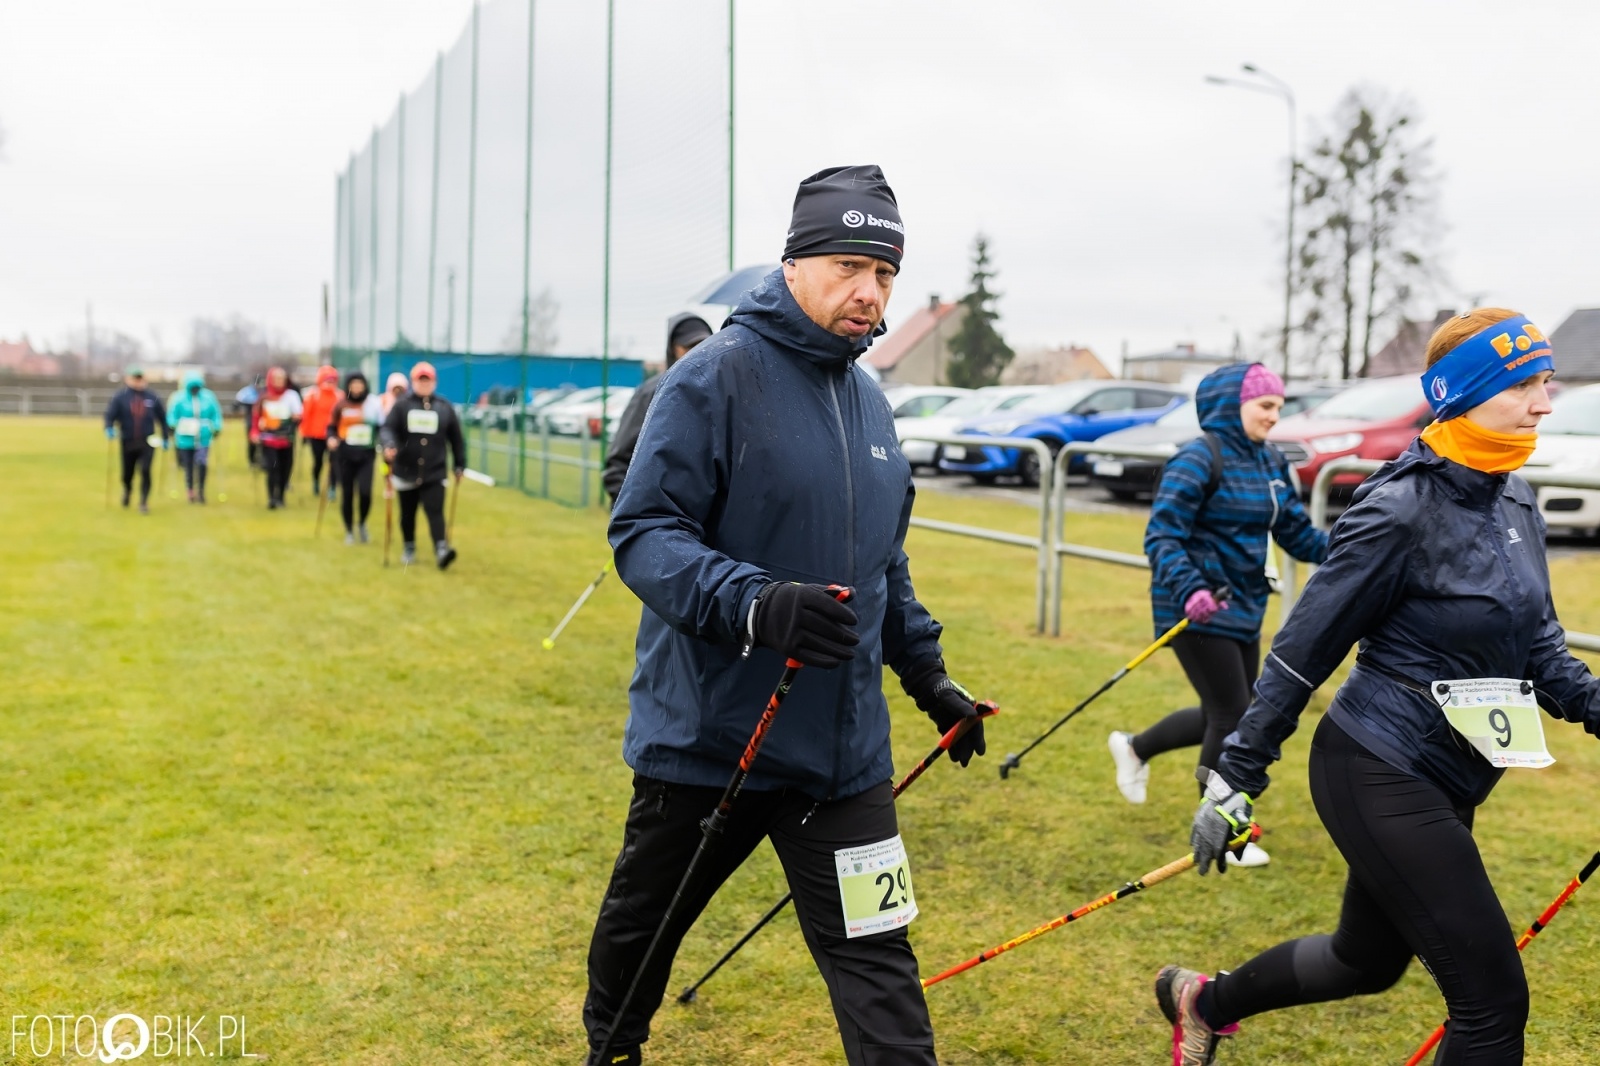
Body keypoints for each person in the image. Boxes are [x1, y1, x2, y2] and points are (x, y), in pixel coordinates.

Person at [584, 165, 987, 1066]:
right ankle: (611, 1047)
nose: (869, 293)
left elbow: (884, 560)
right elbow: (644, 532)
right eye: (850, 265)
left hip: (844, 762)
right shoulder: (712, 380)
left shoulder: (871, 400)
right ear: (796, 262)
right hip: (712, 742)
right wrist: (756, 604)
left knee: (882, 967)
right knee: (643, 933)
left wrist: (928, 677)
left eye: (885, 274)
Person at [1159, 309, 1600, 1066]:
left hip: (1457, 770)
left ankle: (1204, 1000)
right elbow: (1304, 650)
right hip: (1378, 767)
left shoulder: (1516, 497)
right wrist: (1236, 774)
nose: (1544, 403)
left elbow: (1541, 649)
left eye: (1547, 383)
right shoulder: (1400, 507)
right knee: (1493, 1002)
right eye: (1524, 384)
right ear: (1464, 394)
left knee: (1363, 960)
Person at [1105, 362, 1328, 868]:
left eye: (1278, 406)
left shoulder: (1270, 462)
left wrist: (1353, 549)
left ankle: (1135, 748)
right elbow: (1162, 535)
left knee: (1225, 710)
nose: (1275, 416)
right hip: (1193, 606)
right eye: (1265, 406)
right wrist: (1190, 588)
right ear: (1233, 406)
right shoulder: (1198, 458)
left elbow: (1295, 532)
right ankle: (1223, 831)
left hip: (1243, 604)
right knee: (1232, 713)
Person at [602, 313, 712, 503]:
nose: (697, 352)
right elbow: (619, 462)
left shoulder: (720, 393)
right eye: (689, 346)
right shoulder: (651, 394)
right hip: (659, 519)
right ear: (672, 349)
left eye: (704, 344)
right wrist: (638, 516)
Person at [380, 362, 464, 569]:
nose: (424, 384)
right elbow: (387, 429)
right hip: (405, 470)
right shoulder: (401, 405)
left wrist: (460, 464)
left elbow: (456, 438)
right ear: (413, 382)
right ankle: (409, 546)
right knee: (407, 513)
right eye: (421, 380)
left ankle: (441, 549)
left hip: (434, 471)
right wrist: (389, 445)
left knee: (435, 511)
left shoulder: (445, 407)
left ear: (434, 382)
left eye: (428, 380)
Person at [103, 365, 169, 513]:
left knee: (146, 470)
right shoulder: (120, 397)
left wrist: (165, 436)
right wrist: (109, 427)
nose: (138, 381)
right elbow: (110, 415)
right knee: (127, 473)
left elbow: (162, 418)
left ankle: (143, 502)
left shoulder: (152, 397)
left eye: (141, 378)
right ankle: (127, 490)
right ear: (128, 379)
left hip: (147, 441)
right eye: (135, 378)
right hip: (128, 440)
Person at [326, 371, 383, 544]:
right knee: (348, 493)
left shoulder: (372, 404)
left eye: (360, 384)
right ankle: (349, 529)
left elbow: (382, 427)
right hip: (345, 455)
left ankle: (362, 523)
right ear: (348, 386)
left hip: (366, 454)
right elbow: (331, 427)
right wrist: (331, 438)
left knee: (365, 492)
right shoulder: (341, 405)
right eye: (353, 384)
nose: (357, 387)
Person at [167, 371, 223, 504]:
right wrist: (172, 424)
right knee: (188, 465)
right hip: (184, 437)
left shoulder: (208, 397)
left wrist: (216, 427)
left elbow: (215, 413)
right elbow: (172, 414)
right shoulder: (179, 398)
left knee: (202, 463)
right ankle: (190, 489)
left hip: (203, 437)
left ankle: (201, 490)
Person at [252, 367, 302, 509]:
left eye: (282, 378)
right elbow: (256, 416)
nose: (279, 382)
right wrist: (254, 433)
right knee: (273, 468)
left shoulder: (291, 396)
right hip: (269, 439)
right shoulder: (264, 396)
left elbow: (299, 414)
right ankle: (271, 498)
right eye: (276, 379)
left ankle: (281, 496)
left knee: (285, 469)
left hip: (286, 438)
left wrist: (295, 418)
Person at [300, 364, 343, 499]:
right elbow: (306, 415)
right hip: (316, 435)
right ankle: (316, 480)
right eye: (327, 380)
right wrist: (304, 433)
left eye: (332, 380)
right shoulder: (313, 395)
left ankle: (332, 487)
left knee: (334, 462)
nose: (330, 383)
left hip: (334, 436)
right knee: (318, 461)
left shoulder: (339, 395)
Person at [234, 376, 262, 468]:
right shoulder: (246, 392)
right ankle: (252, 460)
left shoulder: (264, 392)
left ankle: (262, 460)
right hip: (250, 420)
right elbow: (237, 403)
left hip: (263, 421)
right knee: (252, 441)